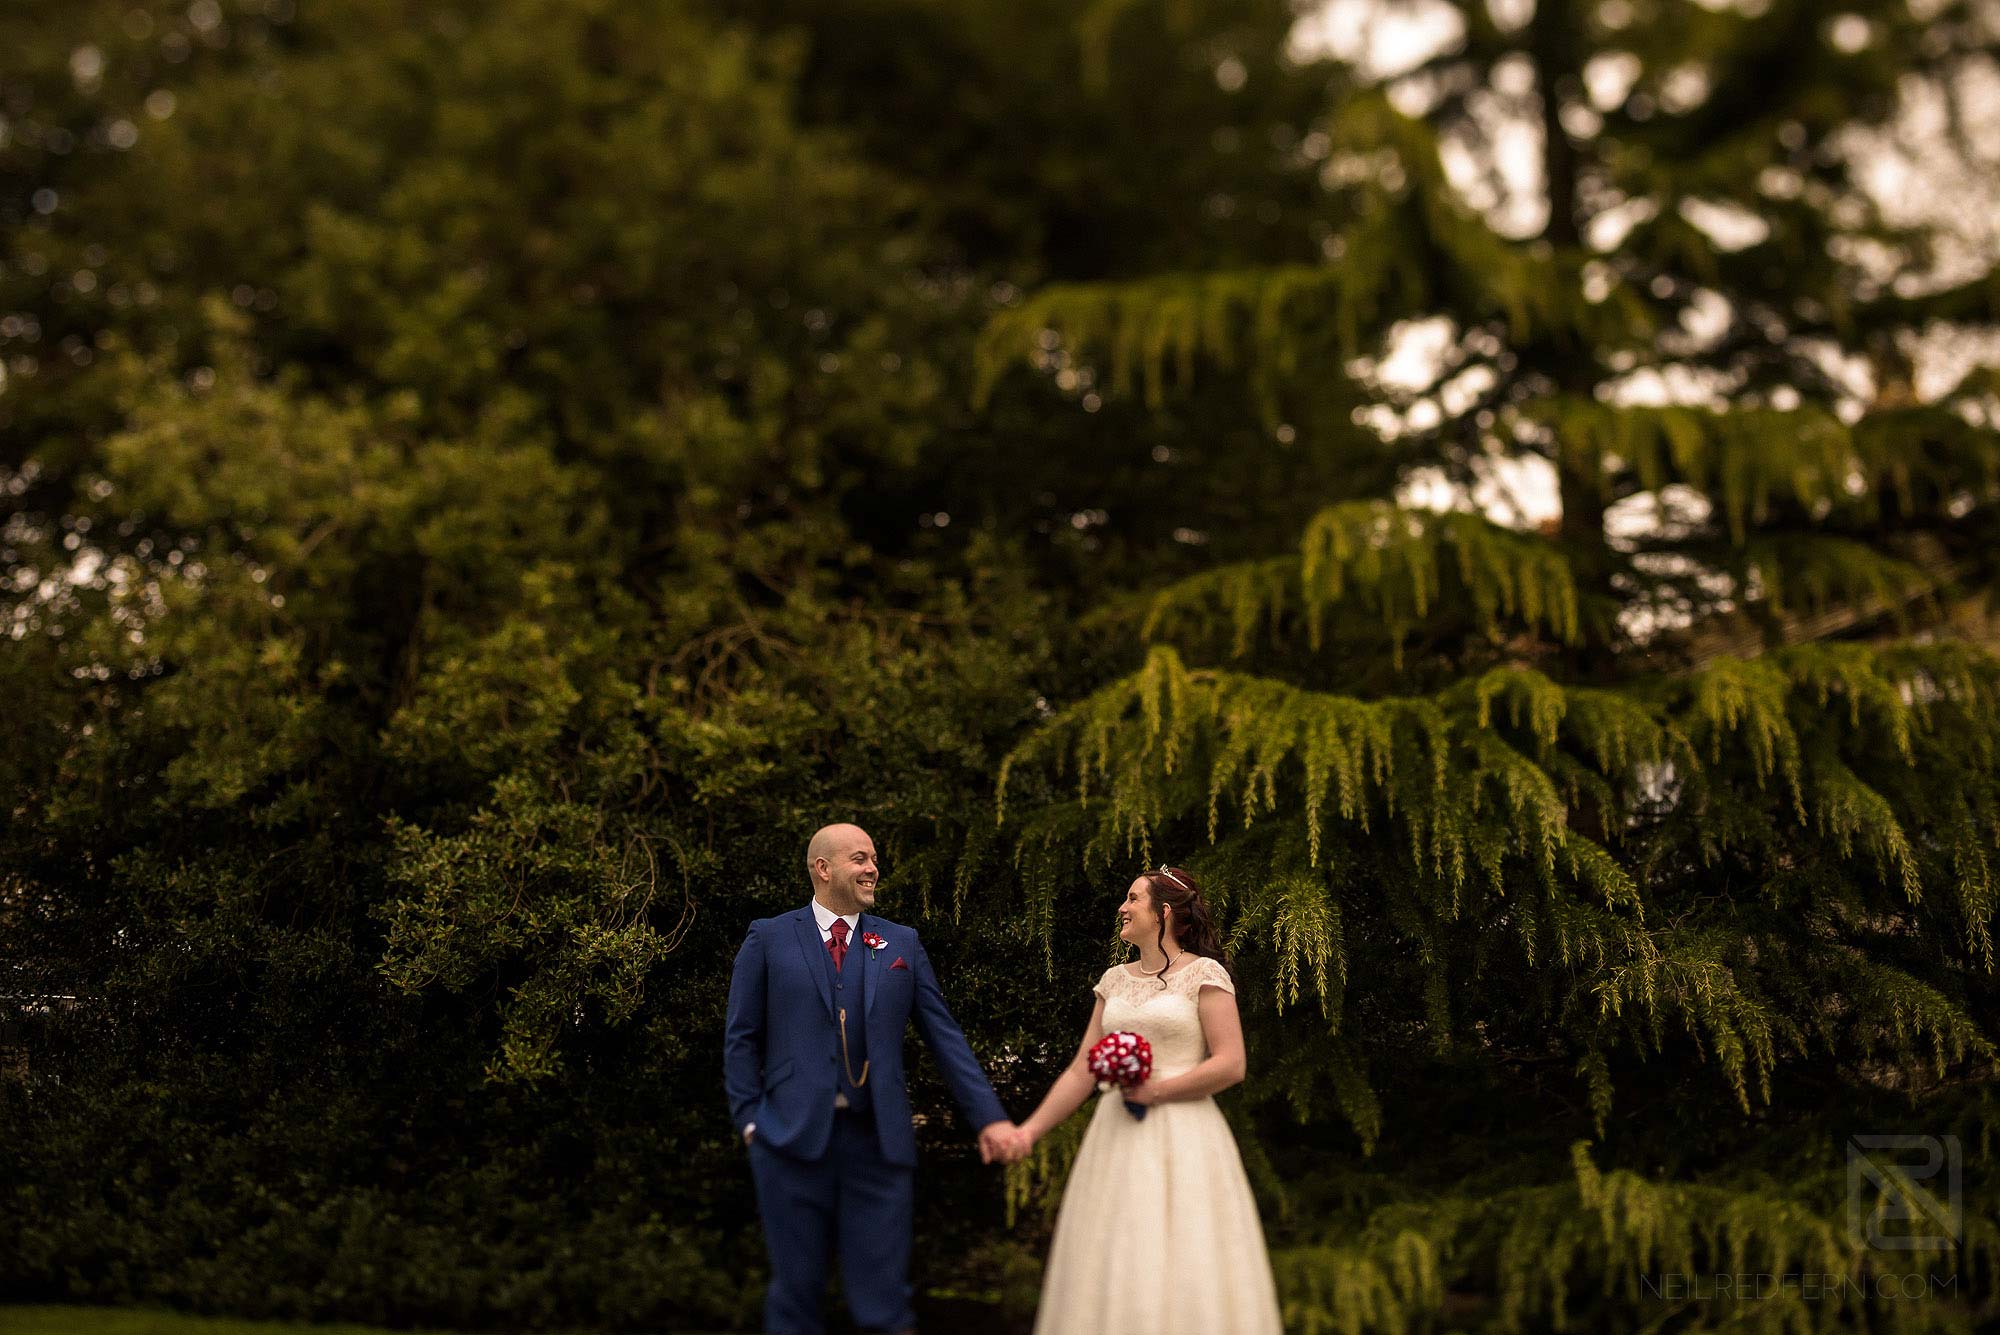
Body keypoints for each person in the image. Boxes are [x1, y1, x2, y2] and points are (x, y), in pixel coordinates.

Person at [723, 823, 1026, 1335]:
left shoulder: (901, 941)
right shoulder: (769, 936)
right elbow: (741, 1037)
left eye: (873, 859)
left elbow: (945, 1037)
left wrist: (990, 1119)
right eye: (860, 859)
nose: (872, 869)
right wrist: (751, 1122)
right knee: (795, 1301)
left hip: (879, 1142)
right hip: (788, 1141)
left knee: (885, 1305)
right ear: (824, 869)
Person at [1013, 866, 1284, 1335]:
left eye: (1133, 899)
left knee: (1183, 1252)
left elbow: (1230, 1064)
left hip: (1185, 1137)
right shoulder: (1114, 980)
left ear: (1163, 913)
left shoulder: (1205, 973)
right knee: (1116, 1246)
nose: (1122, 907)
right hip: (1115, 1136)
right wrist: (1029, 1131)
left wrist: (1154, 1091)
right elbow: (1083, 1068)